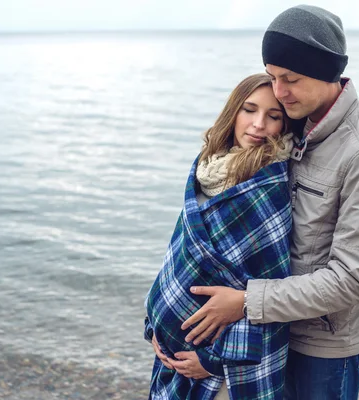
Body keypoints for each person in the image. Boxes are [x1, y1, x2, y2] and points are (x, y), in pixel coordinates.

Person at [177, 5, 359, 400]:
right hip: (270, 330)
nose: (279, 92)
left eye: (291, 79)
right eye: (273, 76)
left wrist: (246, 302)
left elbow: (352, 279)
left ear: (327, 72)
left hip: (321, 344)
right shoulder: (291, 124)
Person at [144, 73, 296, 400]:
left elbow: (268, 292)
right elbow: (177, 254)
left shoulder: (268, 189)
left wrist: (214, 361)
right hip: (173, 353)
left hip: (224, 370)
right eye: (249, 110)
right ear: (233, 113)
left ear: (285, 125)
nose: (258, 124)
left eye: (274, 116)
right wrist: (154, 322)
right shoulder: (207, 169)